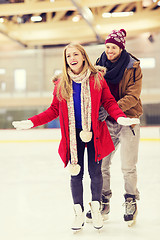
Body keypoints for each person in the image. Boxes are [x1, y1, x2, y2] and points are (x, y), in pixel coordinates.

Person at [12, 43, 140, 231]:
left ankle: (96, 209)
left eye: (76, 54)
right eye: (68, 56)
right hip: (73, 137)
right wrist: (32, 122)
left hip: (94, 134)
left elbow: (109, 102)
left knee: (96, 173)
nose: (72, 58)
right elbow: (53, 110)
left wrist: (121, 117)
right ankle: (78, 213)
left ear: (83, 57)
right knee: (76, 174)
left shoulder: (97, 79)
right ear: (65, 60)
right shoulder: (61, 83)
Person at [86, 29, 143, 227]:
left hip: (128, 119)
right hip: (106, 123)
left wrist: (112, 110)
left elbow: (133, 96)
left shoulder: (133, 66)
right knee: (102, 164)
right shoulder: (97, 66)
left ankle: (130, 200)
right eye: (108, 46)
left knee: (128, 166)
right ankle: (103, 202)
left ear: (121, 47)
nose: (110, 50)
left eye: (114, 47)